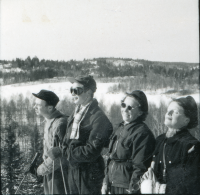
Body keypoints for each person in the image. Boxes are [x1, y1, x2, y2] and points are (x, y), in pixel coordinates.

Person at [47, 75, 113, 194]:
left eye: (77, 90)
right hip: (74, 169)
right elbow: (69, 140)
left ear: (88, 92)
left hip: (89, 173)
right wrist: (61, 146)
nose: (72, 93)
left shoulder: (98, 118)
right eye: (71, 90)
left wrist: (63, 152)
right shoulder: (76, 113)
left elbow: (91, 151)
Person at [141, 96, 200, 194]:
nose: (168, 113)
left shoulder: (191, 146)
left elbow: (191, 184)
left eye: (175, 112)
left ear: (186, 120)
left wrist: (162, 190)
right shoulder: (160, 140)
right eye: (168, 110)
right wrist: (147, 178)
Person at [102, 90, 156, 194]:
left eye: (130, 107)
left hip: (126, 187)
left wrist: (133, 190)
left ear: (140, 112)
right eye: (123, 105)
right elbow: (110, 159)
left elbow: (140, 167)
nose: (125, 110)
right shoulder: (119, 128)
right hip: (113, 185)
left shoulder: (142, 134)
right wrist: (105, 182)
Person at [30, 89, 68, 194]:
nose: (34, 107)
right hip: (50, 173)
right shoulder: (49, 121)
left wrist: (40, 170)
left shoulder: (60, 124)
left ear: (50, 108)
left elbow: (60, 157)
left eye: (38, 105)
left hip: (59, 175)